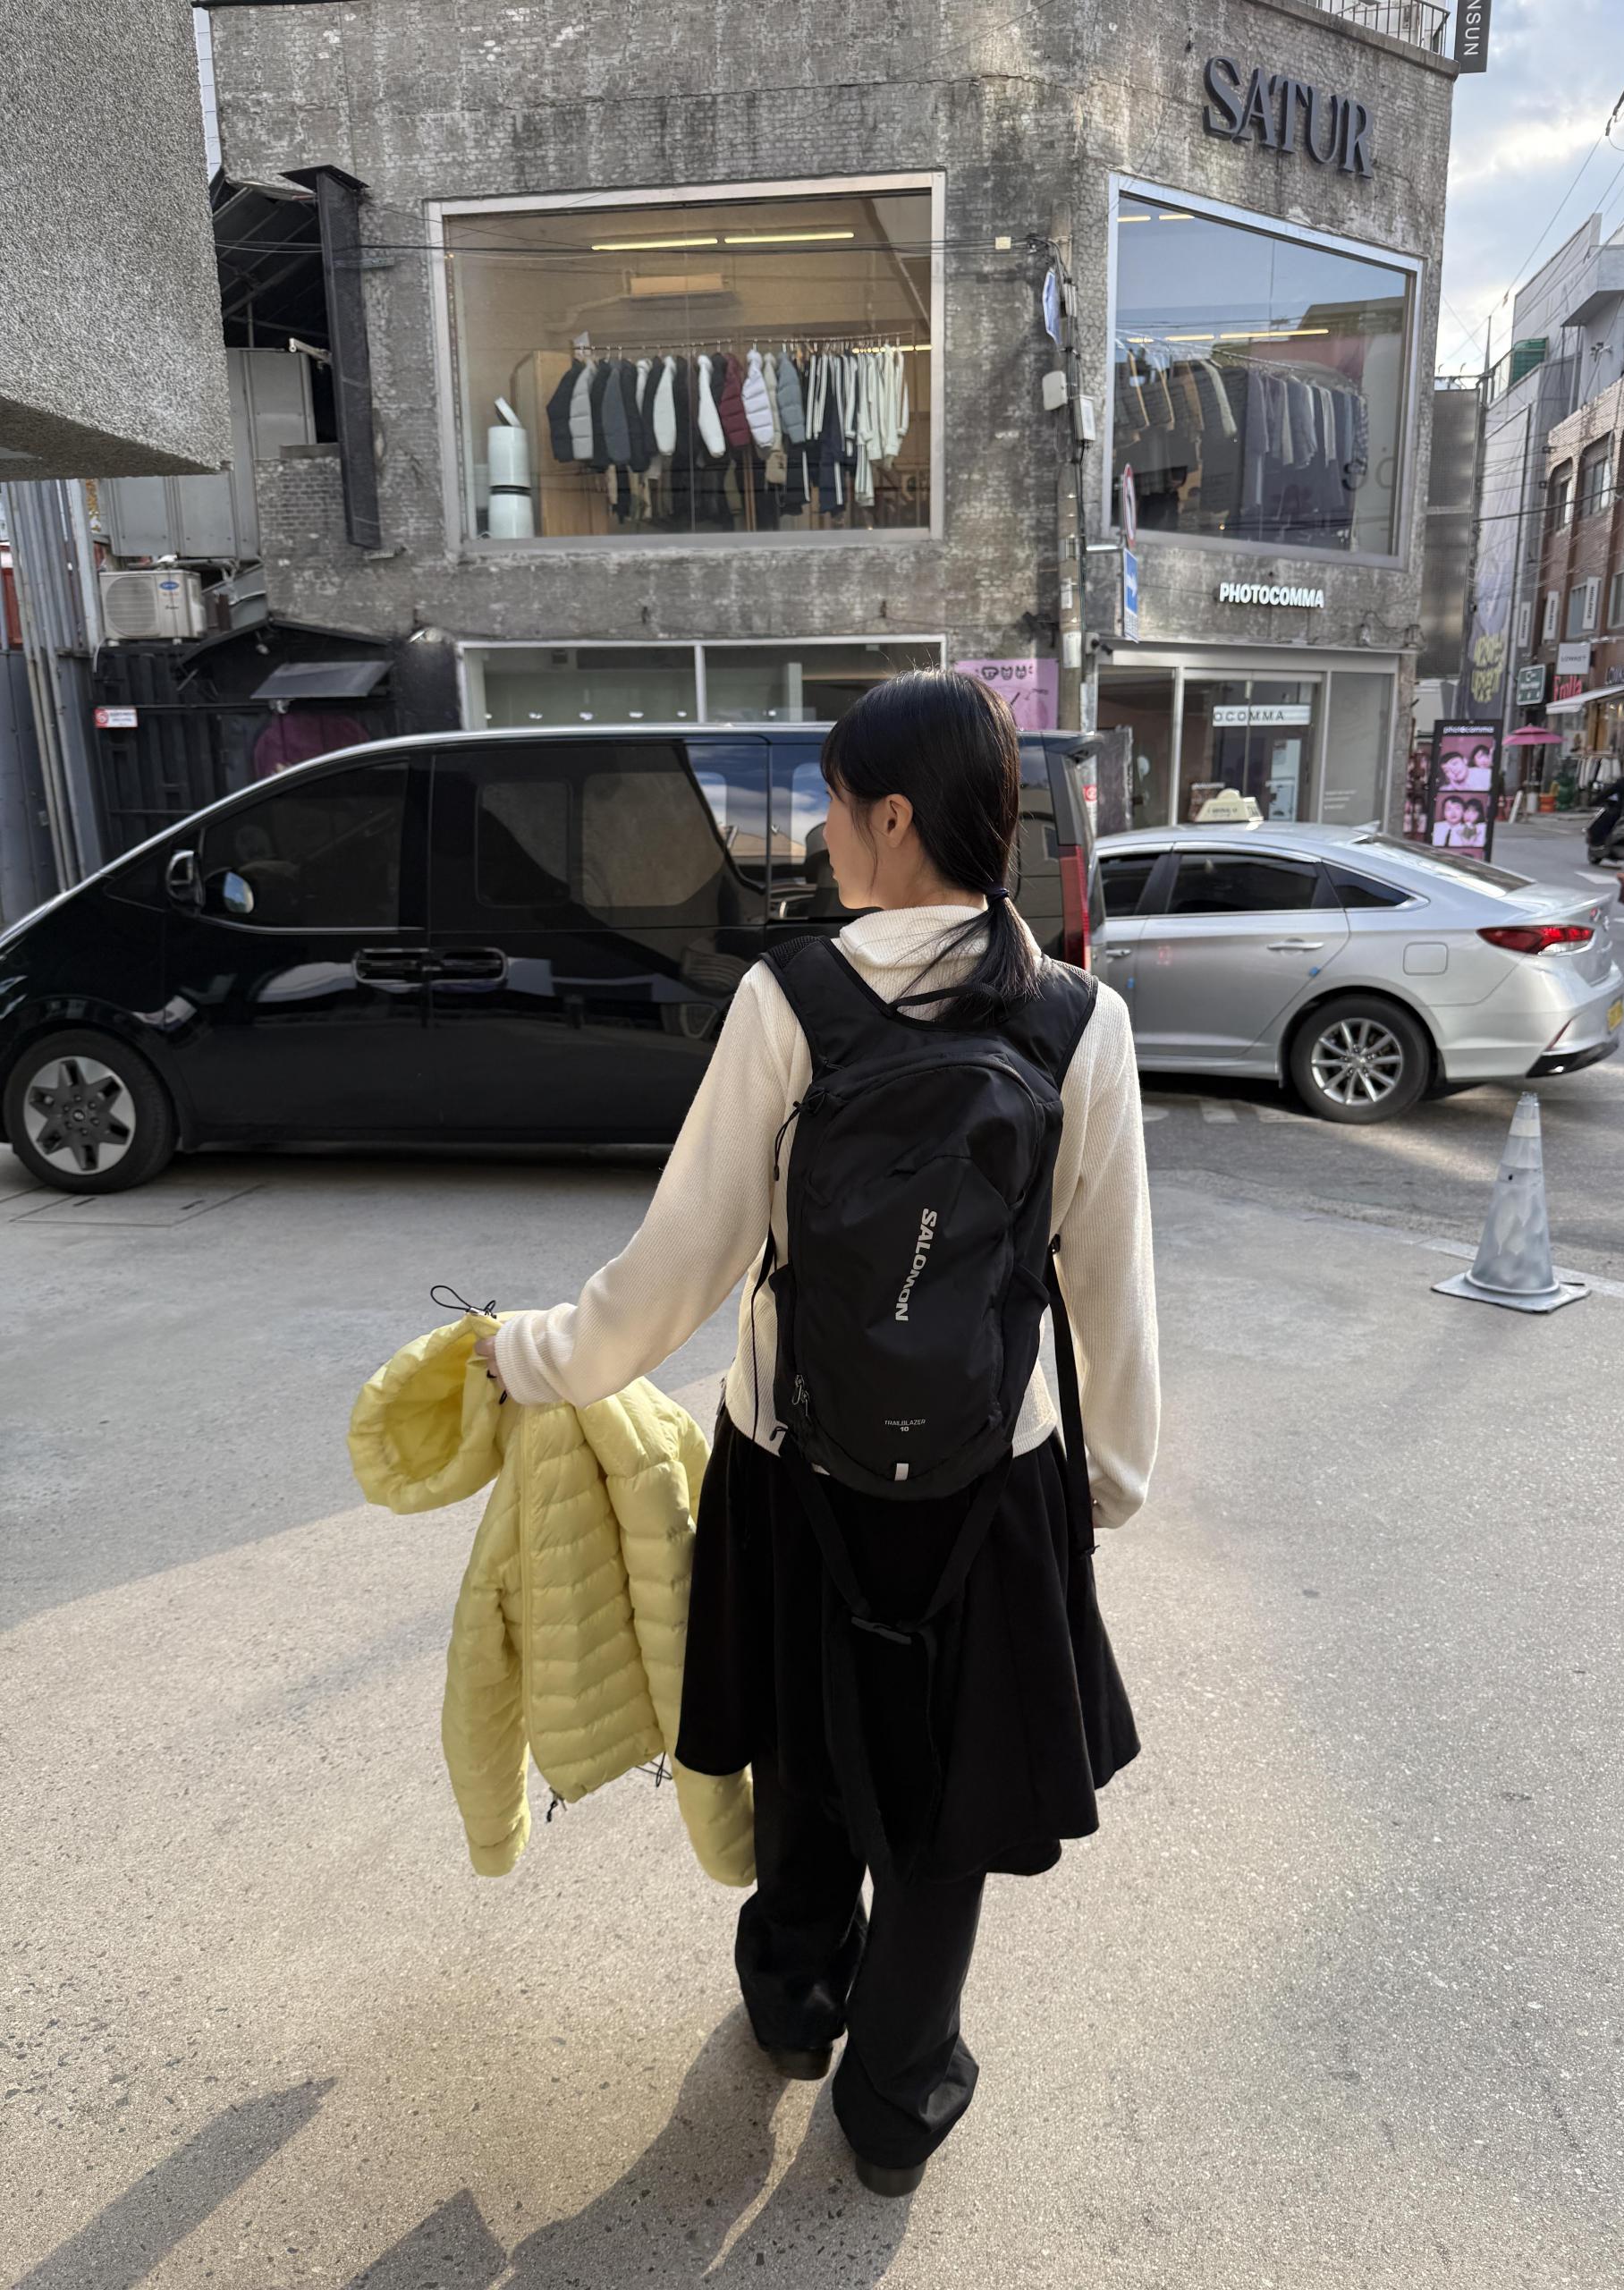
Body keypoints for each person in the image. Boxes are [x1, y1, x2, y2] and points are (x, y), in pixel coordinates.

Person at [473, 671, 1157, 2196]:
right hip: (993, 1477)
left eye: (838, 810)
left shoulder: (795, 998)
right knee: (949, 1803)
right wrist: (1106, 1486)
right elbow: (1109, 1284)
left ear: (894, 818)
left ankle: (794, 2007)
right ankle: (897, 2105)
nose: (823, 838)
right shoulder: (1079, 1020)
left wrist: (539, 1358)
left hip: (795, 1471)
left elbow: (683, 1260)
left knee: (804, 1752)